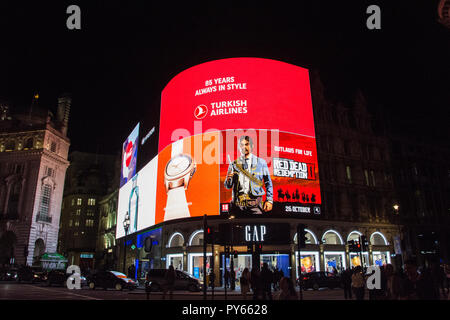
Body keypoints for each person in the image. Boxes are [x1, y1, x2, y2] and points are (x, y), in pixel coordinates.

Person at [225, 135, 273, 216]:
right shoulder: (233, 164)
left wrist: (269, 200)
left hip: (255, 205)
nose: (244, 147)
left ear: (252, 146)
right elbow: (228, 186)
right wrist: (228, 179)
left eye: (246, 144)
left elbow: (268, 182)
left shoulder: (261, 162)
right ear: (239, 147)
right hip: (238, 205)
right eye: (242, 145)